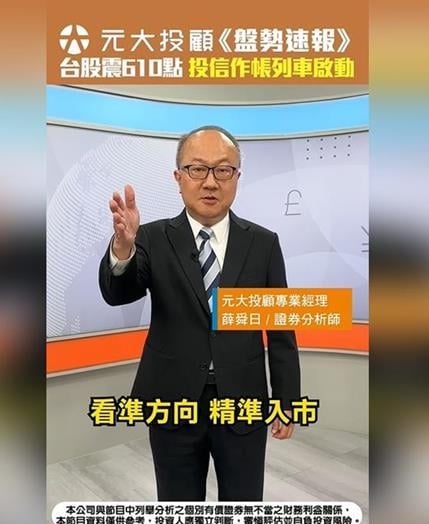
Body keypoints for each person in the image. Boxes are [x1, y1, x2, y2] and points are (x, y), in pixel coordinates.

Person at [99, 125, 300, 501]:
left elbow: (281, 332)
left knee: (243, 509)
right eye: (197, 169)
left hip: (242, 401)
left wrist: (286, 400)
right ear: (178, 177)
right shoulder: (152, 238)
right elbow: (118, 294)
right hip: (173, 401)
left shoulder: (263, 243)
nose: (210, 182)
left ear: (237, 177)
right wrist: (123, 250)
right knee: (178, 508)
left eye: (223, 170)